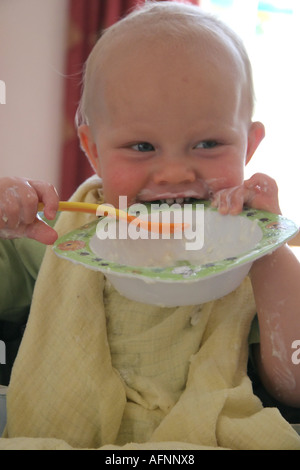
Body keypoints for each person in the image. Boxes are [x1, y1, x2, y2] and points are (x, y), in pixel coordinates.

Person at [0, 1, 300, 450]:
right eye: (142, 146)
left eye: (208, 143)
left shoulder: (246, 246)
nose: (175, 173)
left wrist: (269, 250)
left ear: (249, 145)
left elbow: (294, 382)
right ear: (94, 149)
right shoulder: (59, 235)